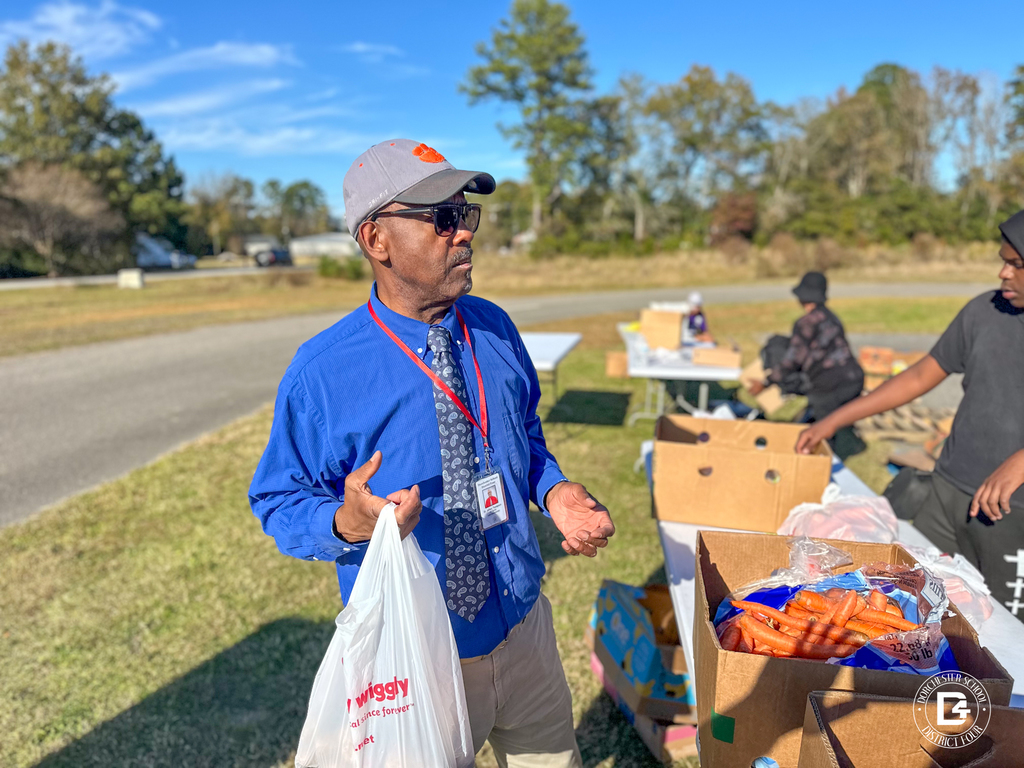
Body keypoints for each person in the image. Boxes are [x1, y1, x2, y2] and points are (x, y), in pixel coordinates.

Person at [249, 139, 614, 766]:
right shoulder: (324, 373)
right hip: (417, 652)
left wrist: (553, 492)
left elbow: (525, 435)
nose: (463, 235)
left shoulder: (494, 325)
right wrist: (347, 523)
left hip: (524, 623)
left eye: (464, 215)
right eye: (441, 219)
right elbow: (278, 499)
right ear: (376, 239)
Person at [796, 212, 1024, 622]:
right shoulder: (983, 311)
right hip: (947, 493)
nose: (1003, 272)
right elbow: (920, 375)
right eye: (1003, 259)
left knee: (1003, 634)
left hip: (1011, 512)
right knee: (912, 604)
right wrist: (834, 419)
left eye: (1017, 265)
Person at [748, 271, 865, 456]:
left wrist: (766, 383)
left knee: (823, 433)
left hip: (829, 385)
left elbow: (793, 360)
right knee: (828, 421)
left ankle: (824, 467)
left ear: (802, 298)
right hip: (854, 379)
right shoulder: (831, 317)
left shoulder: (806, 323)